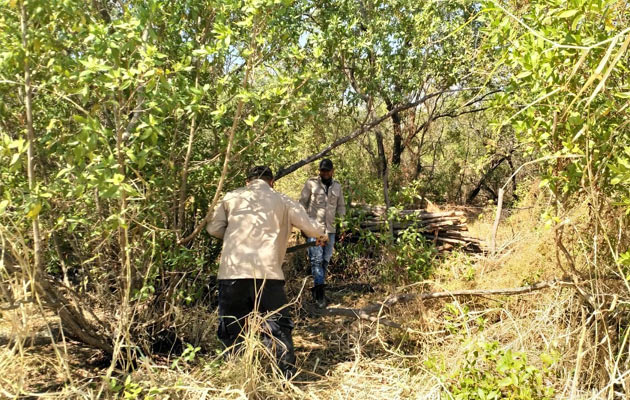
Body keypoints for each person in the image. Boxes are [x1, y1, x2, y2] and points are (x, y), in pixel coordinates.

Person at [206, 165, 327, 379]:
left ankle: (236, 376)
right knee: (277, 328)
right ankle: (284, 378)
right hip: (268, 275)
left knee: (233, 328)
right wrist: (322, 235)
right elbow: (311, 228)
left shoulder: (230, 197)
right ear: (272, 182)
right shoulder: (284, 200)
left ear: (248, 182)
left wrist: (235, 237)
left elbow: (213, 229)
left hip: (232, 273)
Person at [299, 158, 346, 308]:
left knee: (326, 259)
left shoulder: (337, 186)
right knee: (316, 259)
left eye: (327, 170)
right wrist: (303, 226)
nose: (325, 173)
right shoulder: (311, 184)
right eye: (322, 170)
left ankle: (318, 287)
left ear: (332, 171)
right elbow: (301, 204)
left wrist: (343, 224)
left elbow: (341, 206)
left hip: (330, 230)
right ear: (319, 171)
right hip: (314, 229)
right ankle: (320, 295)